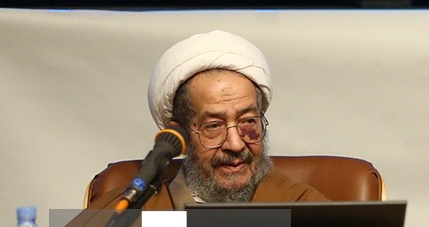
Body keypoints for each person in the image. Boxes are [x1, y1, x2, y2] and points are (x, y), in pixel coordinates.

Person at [86, 30, 327, 209]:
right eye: (213, 126)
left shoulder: (303, 206)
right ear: (180, 136)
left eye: (248, 122)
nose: (235, 144)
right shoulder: (127, 213)